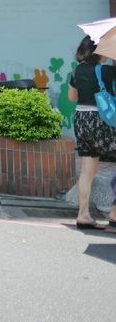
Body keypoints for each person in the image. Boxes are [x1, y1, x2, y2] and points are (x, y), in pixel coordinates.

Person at [66, 35, 116, 230]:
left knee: (87, 171)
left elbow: (72, 97)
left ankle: (83, 215)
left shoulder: (76, 70)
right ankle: (114, 212)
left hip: (81, 120)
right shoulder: (106, 70)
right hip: (101, 120)